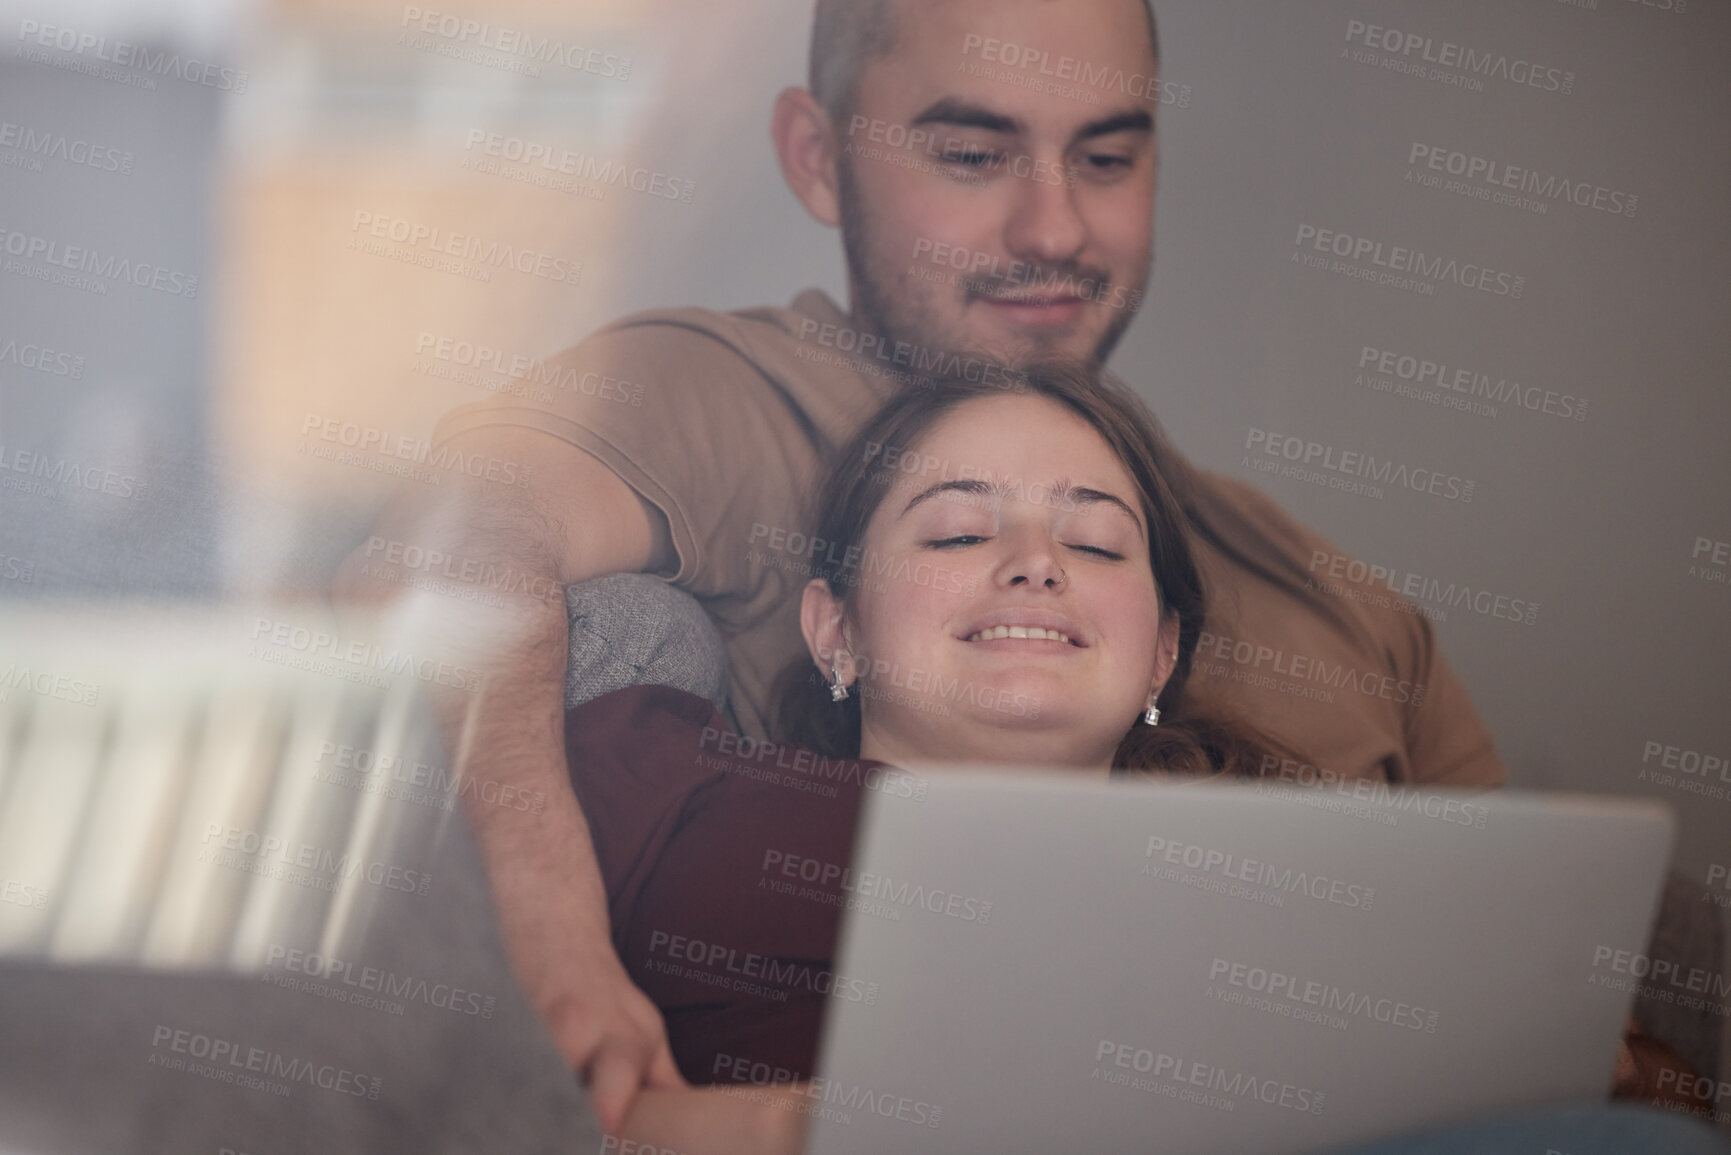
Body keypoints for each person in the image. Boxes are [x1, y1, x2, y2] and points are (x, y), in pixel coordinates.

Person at [335, 0, 1508, 1131]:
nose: (1054, 230)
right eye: (970, 152)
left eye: (1106, 159)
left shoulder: (1351, 612)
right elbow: (438, 550)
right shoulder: (726, 395)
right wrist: (550, 940)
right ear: (817, 156)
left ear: (1169, 644)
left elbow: (1574, 1007)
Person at [560, 368, 1717, 1154]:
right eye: (960, 530)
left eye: (1096, 540)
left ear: (1161, 651)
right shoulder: (673, 776)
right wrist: (813, 1127)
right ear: (835, 631)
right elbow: (521, 1093)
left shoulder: (1299, 886)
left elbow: (1657, 1091)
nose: (1033, 563)